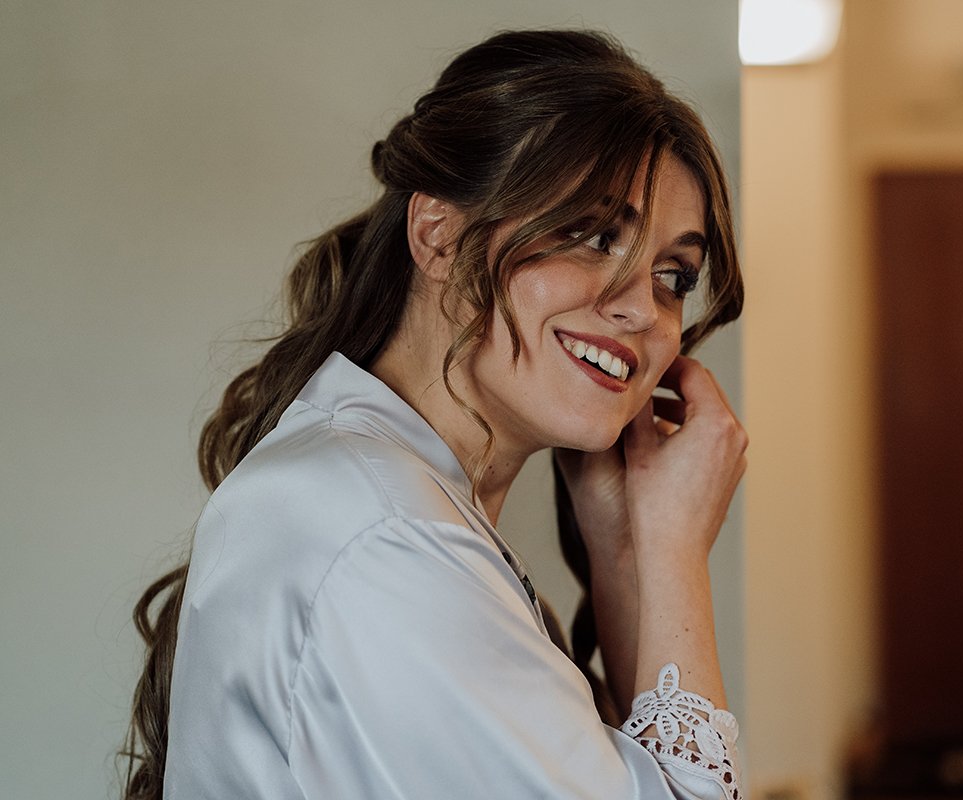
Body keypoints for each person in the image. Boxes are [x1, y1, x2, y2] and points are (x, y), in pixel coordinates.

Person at [121, 28, 746, 800]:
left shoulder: (391, 504)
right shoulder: (388, 536)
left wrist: (626, 548)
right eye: (590, 236)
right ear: (438, 235)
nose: (641, 310)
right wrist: (678, 548)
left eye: (673, 276)